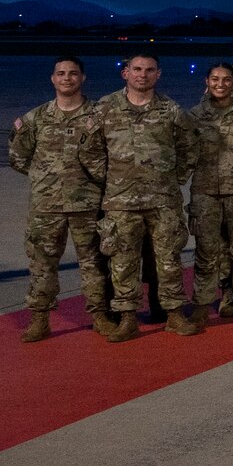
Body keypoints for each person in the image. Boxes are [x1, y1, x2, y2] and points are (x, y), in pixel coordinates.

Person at [80, 54, 200, 342]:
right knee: (122, 263)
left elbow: (189, 148)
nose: (142, 75)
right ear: (125, 73)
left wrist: (173, 178)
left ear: (158, 74)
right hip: (121, 202)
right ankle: (127, 318)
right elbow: (89, 151)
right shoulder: (105, 108)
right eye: (136, 69)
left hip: (163, 201)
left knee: (169, 260)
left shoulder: (171, 110)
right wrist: (110, 179)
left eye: (149, 70)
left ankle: (173, 314)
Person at [10, 56, 111, 341]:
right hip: (47, 206)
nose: (67, 78)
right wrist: (45, 178)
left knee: (93, 262)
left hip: (87, 204)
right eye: (61, 74)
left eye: (73, 73)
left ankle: (99, 316)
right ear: (53, 79)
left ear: (83, 78)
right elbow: (18, 157)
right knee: (42, 263)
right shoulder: (36, 118)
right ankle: (40, 318)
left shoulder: (99, 116)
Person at [189, 64, 233, 324]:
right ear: (207, 81)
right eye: (215, 78)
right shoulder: (195, 115)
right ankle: (202, 304)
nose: (220, 84)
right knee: (207, 251)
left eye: (226, 79)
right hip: (205, 190)